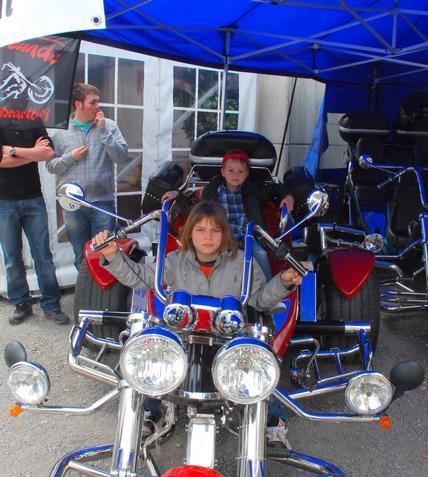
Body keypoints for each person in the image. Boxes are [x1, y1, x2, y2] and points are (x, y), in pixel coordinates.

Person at [93, 200, 302, 441]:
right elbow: (141, 277)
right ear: (189, 232)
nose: (208, 236)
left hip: (228, 340)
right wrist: (113, 256)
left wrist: (283, 282)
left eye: (215, 230)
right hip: (184, 338)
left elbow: (260, 300)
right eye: (200, 229)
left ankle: (272, 422)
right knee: (155, 360)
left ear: (225, 233)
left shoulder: (244, 262)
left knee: (259, 370)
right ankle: (150, 413)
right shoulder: (174, 260)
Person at [162, 149, 295, 280]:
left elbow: (276, 188)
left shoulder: (253, 189)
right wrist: (178, 196)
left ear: (247, 174)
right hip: (221, 236)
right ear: (223, 172)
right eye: (230, 170)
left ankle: (267, 288)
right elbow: (196, 210)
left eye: (241, 171)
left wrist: (287, 196)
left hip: (247, 236)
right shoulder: (212, 191)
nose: (235, 175)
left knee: (260, 253)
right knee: (212, 258)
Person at [46, 82, 128, 270]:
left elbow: (121, 157)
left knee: (106, 253)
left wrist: (105, 133)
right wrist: (71, 158)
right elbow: (50, 166)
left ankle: (103, 289)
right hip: (72, 204)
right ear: (78, 104)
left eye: (98, 101)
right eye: (93, 102)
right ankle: (86, 288)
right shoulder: (59, 130)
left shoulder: (109, 125)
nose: (98, 106)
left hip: (102, 202)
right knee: (81, 255)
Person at [0, 111, 70, 326]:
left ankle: (51, 305)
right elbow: (1, 161)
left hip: (33, 198)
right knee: (12, 258)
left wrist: (13, 151)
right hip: (4, 201)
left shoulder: (33, 119)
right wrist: (33, 153)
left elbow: (48, 153)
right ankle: (21, 303)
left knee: (43, 255)